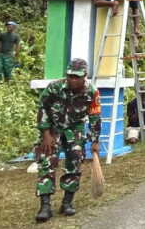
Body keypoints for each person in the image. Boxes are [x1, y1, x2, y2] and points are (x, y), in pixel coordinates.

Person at [33, 59, 100, 222]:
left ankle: (67, 203)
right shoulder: (54, 87)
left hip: (74, 128)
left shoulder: (92, 92)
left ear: (85, 75)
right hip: (52, 128)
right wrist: (45, 134)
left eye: (77, 77)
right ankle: (45, 206)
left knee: (75, 162)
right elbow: (43, 109)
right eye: (70, 76)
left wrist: (94, 140)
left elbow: (94, 116)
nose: (73, 80)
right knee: (47, 162)